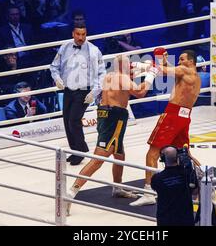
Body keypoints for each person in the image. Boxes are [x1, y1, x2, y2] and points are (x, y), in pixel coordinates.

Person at [66, 54, 159, 215]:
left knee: (119, 154)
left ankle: (117, 188)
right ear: (125, 66)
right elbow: (140, 92)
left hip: (106, 114)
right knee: (98, 159)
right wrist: (151, 75)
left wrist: (147, 67)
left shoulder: (110, 75)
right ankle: (70, 193)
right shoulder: (123, 78)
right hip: (114, 118)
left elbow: (133, 70)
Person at [130, 49, 201, 206]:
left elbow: (162, 71)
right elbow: (170, 70)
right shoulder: (194, 77)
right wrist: (162, 59)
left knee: (153, 153)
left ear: (191, 61)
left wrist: (139, 65)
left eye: (182, 59)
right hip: (184, 116)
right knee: (184, 154)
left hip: (173, 116)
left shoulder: (184, 70)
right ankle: (205, 186)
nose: (179, 62)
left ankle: (149, 191)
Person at [50, 27, 106, 166]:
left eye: (83, 34)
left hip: (84, 92)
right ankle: (75, 151)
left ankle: (81, 151)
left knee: (74, 121)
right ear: (73, 34)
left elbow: (102, 73)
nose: (81, 37)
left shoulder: (94, 50)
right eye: (78, 34)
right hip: (68, 89)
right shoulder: (64, 47)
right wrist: (57, 79)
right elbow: (54, 67)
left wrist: (94, 92)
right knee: (67, 121)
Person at [152, 146, 198, 226]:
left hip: (166, 219)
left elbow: (155, 188)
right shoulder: (188, 174)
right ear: (178, 156)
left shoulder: (157, 178)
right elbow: (195, 191)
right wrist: (189, 160)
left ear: (162, 159)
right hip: (186, 219)